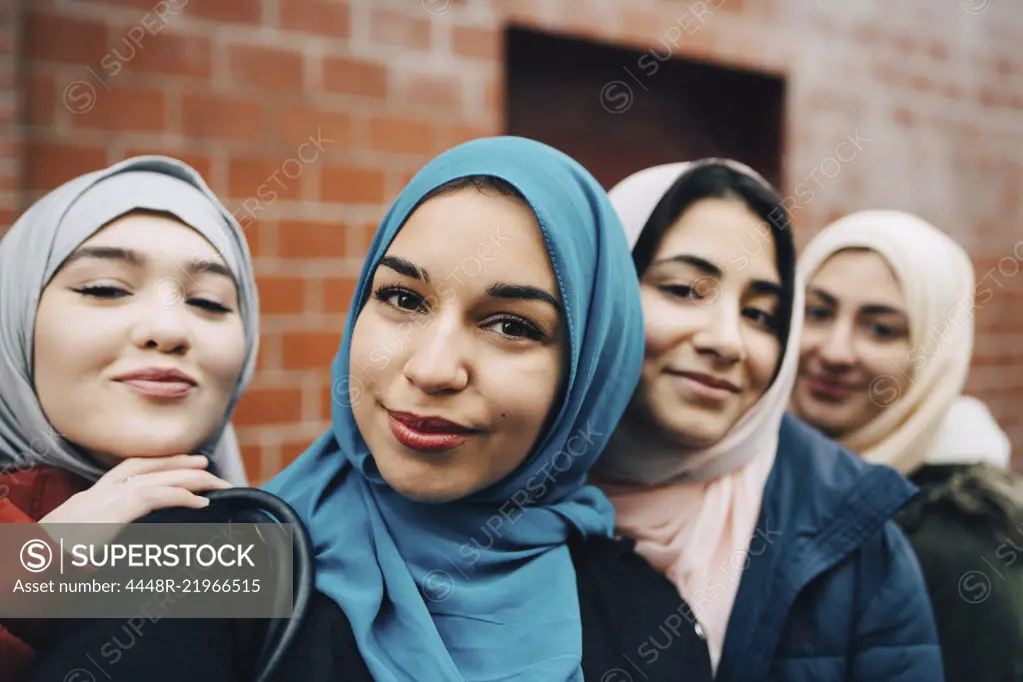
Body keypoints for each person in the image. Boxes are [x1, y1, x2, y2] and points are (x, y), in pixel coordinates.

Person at [27, 137, 715, 682]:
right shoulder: (211, 559)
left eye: (511, 325)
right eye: (403, 299)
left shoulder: (643, 619)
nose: (432, 368)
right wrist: (26, 566)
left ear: (590, 371)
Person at [590, 160, 943, 681]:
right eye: (685, 290)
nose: (727, 341)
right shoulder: (509, 494)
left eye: (760, 315)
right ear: (606, 290)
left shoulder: (854, 537)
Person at [0, 156, 258, 680]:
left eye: (208, 302)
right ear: (15, 320)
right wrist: (33, 568)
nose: (168, 329)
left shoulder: (255, 545)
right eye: (105, 288)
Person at [791, 210, 1023, 682]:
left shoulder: (957, 548)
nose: (835, 351)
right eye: (817, 312)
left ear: (935, 353)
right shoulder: (776, 483)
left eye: (881, 328)